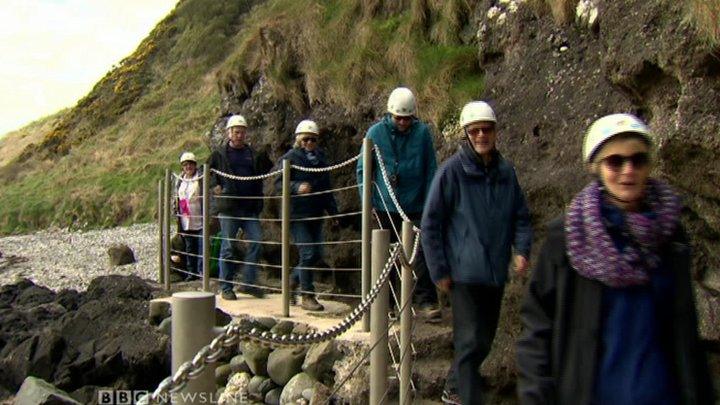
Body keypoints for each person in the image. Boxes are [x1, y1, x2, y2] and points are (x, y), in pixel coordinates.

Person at [516, 113, 714, 404]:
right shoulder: (570, 236)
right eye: (615, 161)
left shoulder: (671, 234)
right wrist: (536, 394)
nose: (628, 170)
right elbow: (537, 324)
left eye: (638, 160)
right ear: (596, 167)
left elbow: (685, 329)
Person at [421, 101, 532, 405]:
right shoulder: (451, 173)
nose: (482, 135)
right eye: (475, 130)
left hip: (495, 272)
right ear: (466, 135)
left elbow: (520, 215)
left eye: (487, 129)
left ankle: (454, 387)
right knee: (470, 344)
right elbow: (431, 223)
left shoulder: (507, 172)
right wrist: (439, 270)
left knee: (483, 342)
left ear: (495, 132)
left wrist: (522, 248)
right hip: (464, 273)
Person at [356, 86, 440, 318]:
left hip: (416, 204)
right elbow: (364, 171)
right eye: (399, 118)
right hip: (386, 205)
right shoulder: (374, 133)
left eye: (407, 118)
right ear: (390, 114)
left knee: (422, 252)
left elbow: (430, 168)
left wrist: (431, 202)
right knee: (388, 256)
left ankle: (426, 301)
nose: (403, 122)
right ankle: (390, 305)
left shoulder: (422, 133)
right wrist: (367, 202)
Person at [275, 120, 339, 311]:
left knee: (317, 254)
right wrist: (296, 187)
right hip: (297, 215)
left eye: (313, 139)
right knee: (308, 253)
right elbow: (278, 184)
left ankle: (292, 281)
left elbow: (327, 188)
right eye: (306, 139)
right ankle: (307, 296)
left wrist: (333, 213)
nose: (309, 143)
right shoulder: (290, 158)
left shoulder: (321, 158)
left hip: (316, 213)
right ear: (298, 140)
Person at [208, 114, 272, 300]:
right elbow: (208, 173)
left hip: (249, 207)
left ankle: (248, 282)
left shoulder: (253, 153)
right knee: (227, 247)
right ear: (229, 133)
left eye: (242, 132)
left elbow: (267, 168)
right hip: (229, 208)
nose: (239, 135)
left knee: (257, 242)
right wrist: (215, 186)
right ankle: (226, 287)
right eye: (236, 132)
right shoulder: (219, 154)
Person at [175, 152, 203, 280]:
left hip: (200, 217)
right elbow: (178, 198)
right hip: (185, 218)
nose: (188, 167)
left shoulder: (201, 178)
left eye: (190, 164)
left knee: (201, 246)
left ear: (195, 165)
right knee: (189, 247)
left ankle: (201, 272)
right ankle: (192, 272)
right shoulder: (179, 180)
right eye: (185, 165)